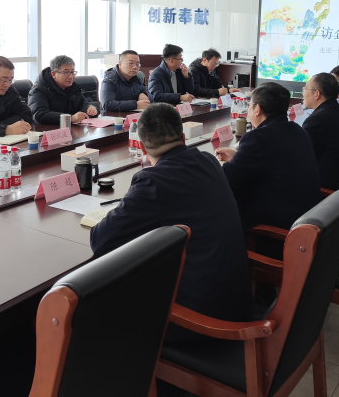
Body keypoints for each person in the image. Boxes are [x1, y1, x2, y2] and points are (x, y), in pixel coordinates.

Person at [90, 103, 252, 342]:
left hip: (199, 322)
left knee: (101, 299)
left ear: (142, 147)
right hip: (238, 302)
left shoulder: (152, 182)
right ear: (183, 137)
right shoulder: (208, 161)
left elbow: (100, 241)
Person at [215, 82, 321, 232]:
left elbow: (227, 179)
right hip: (305, 215)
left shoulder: (257, 138)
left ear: (257, 109)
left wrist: (210, 164)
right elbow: (271, 161)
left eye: (250, 105)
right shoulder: (298, 130)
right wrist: (238, 156)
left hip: (277, 226)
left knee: (217, 203)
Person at [301, 73, 339, 192]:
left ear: (317, 94)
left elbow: (301, 156)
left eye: (305, 89)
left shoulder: (318, 119)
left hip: (332, 190)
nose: (303, 93)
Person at [28, 55, 98, 124]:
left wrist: (89, 109)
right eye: (66, 72)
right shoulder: (39, 90)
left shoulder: (72, 87)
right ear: (53, 74)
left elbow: (83, 104)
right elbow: (39, 115)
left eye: (72, 72)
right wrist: (70, 118)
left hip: (71, 128)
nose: (71, 77)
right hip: (46, 130)